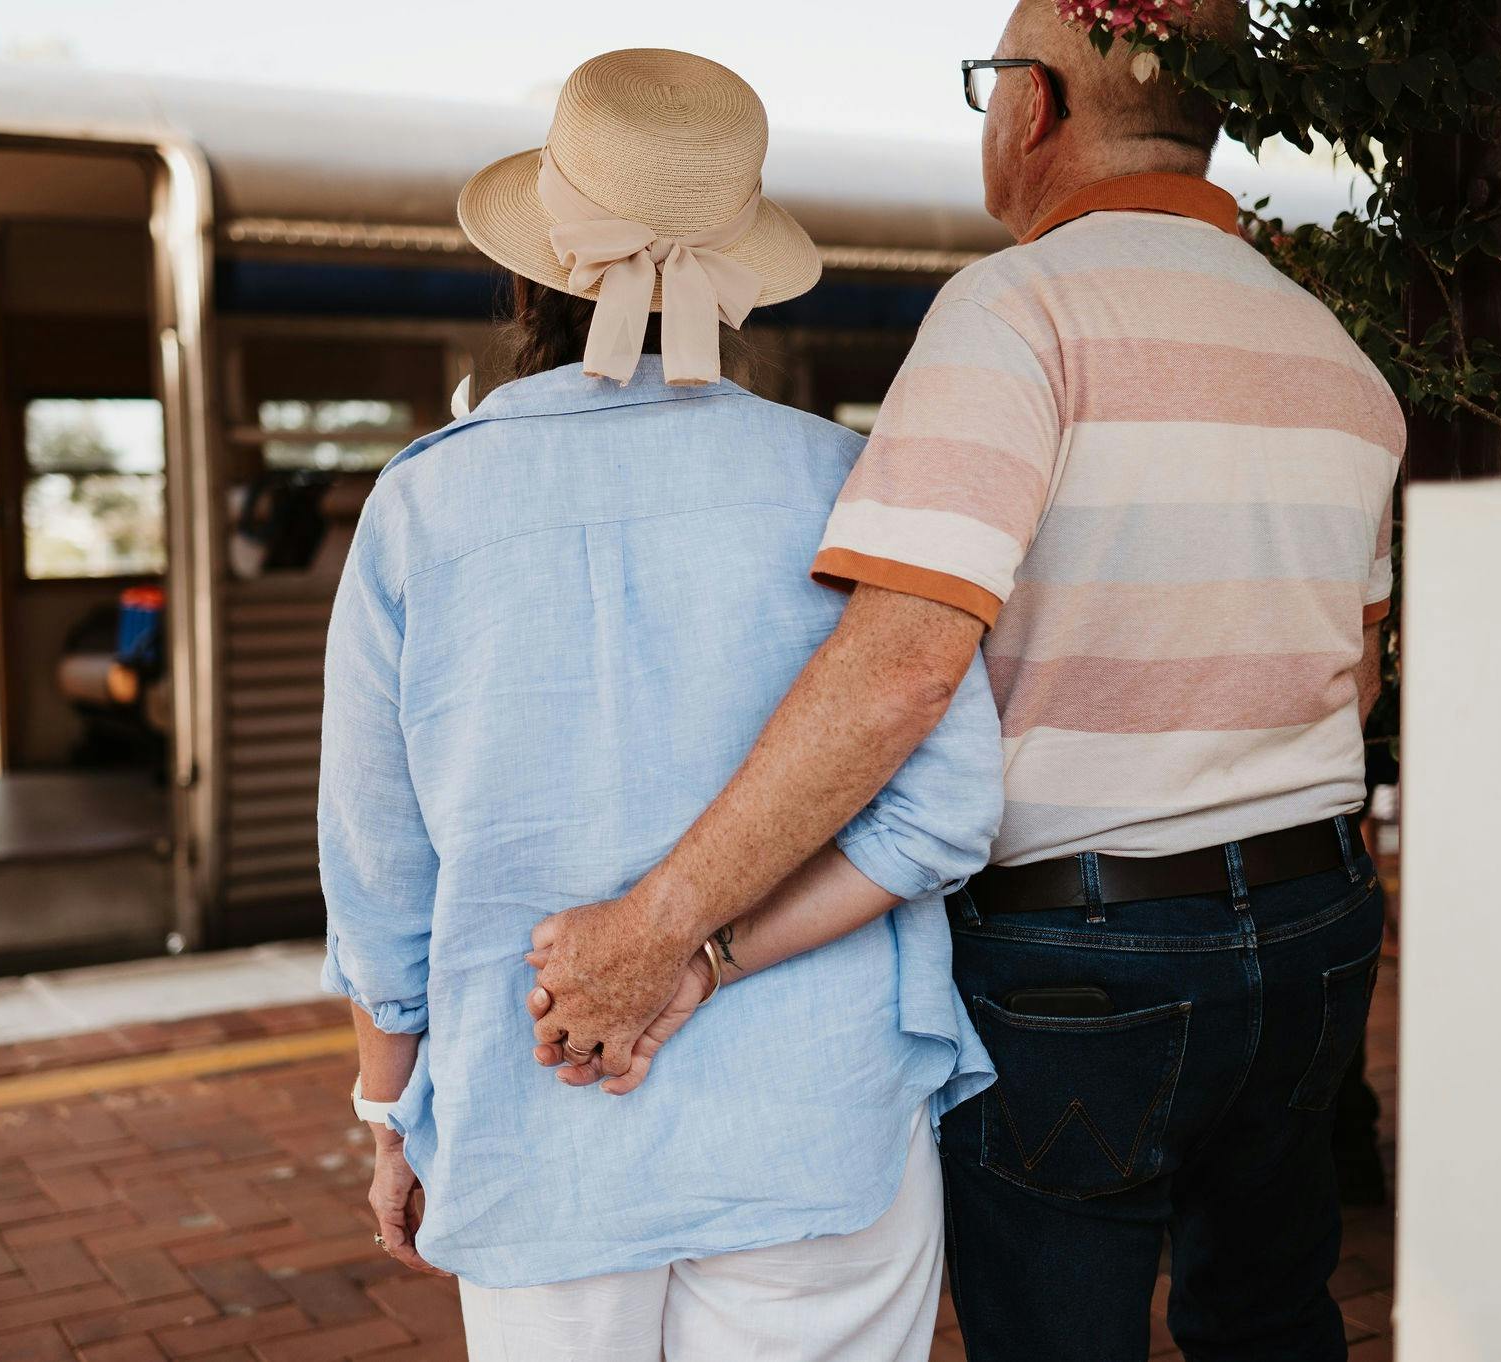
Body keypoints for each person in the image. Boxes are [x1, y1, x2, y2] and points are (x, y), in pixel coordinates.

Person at [525, 5, 1404, 1360]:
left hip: (1082, 958)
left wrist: (663, 930)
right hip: (1316, 923)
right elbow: (1349, 682)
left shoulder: (1017, 314)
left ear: (1035, 106)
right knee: (1275, 1317)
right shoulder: (1336, 358)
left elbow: (895, 674)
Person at [318, 48, 1005, 1362]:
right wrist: (712, 956)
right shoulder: (853, 485)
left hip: (539, 1117)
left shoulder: (422, 506)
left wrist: (391, 1116)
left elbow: (380, 871)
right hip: (818, 1125)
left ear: (526, 273)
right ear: (738, 279)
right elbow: (945, 813)